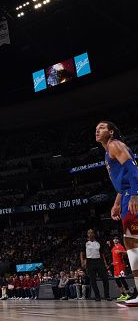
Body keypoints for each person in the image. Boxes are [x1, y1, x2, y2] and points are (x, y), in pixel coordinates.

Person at [96, 121, 138, 307]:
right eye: (96, 128)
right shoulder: (109, 151)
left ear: (111, 132)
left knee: (134, 244)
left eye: (102, 127)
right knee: (132, 245)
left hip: (133, 195)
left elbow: (132, 169)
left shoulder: (114, 144)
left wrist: (135, 194)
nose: (98, 130)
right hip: (126, 195)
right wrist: (116, 202)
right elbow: (123, 178)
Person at [80, 229, 111, 301]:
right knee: (93, 280)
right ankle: (97, 296)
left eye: (92, 233)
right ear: (87, 234)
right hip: (90, 262)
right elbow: (82, 253)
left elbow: (102, 254)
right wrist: (82, 261)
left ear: (94, 234)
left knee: (105, 278)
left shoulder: (98, 242)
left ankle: (107, 295)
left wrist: (105, 263)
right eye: (89, 233)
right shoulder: (85, 243)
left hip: (99, 261)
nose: (90, 234)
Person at [109, 237, 131, 301]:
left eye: (116, 238)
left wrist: (120, 251)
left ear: (118, 240)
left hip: (120, 265)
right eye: (114, 239)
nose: (115, 239)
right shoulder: (113, 248)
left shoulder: (120, 246)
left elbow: (127, 252)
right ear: (113, 240)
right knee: (117, 280)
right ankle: (123, 294)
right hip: (115, 266)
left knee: (122, 279)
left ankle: (128, 294)